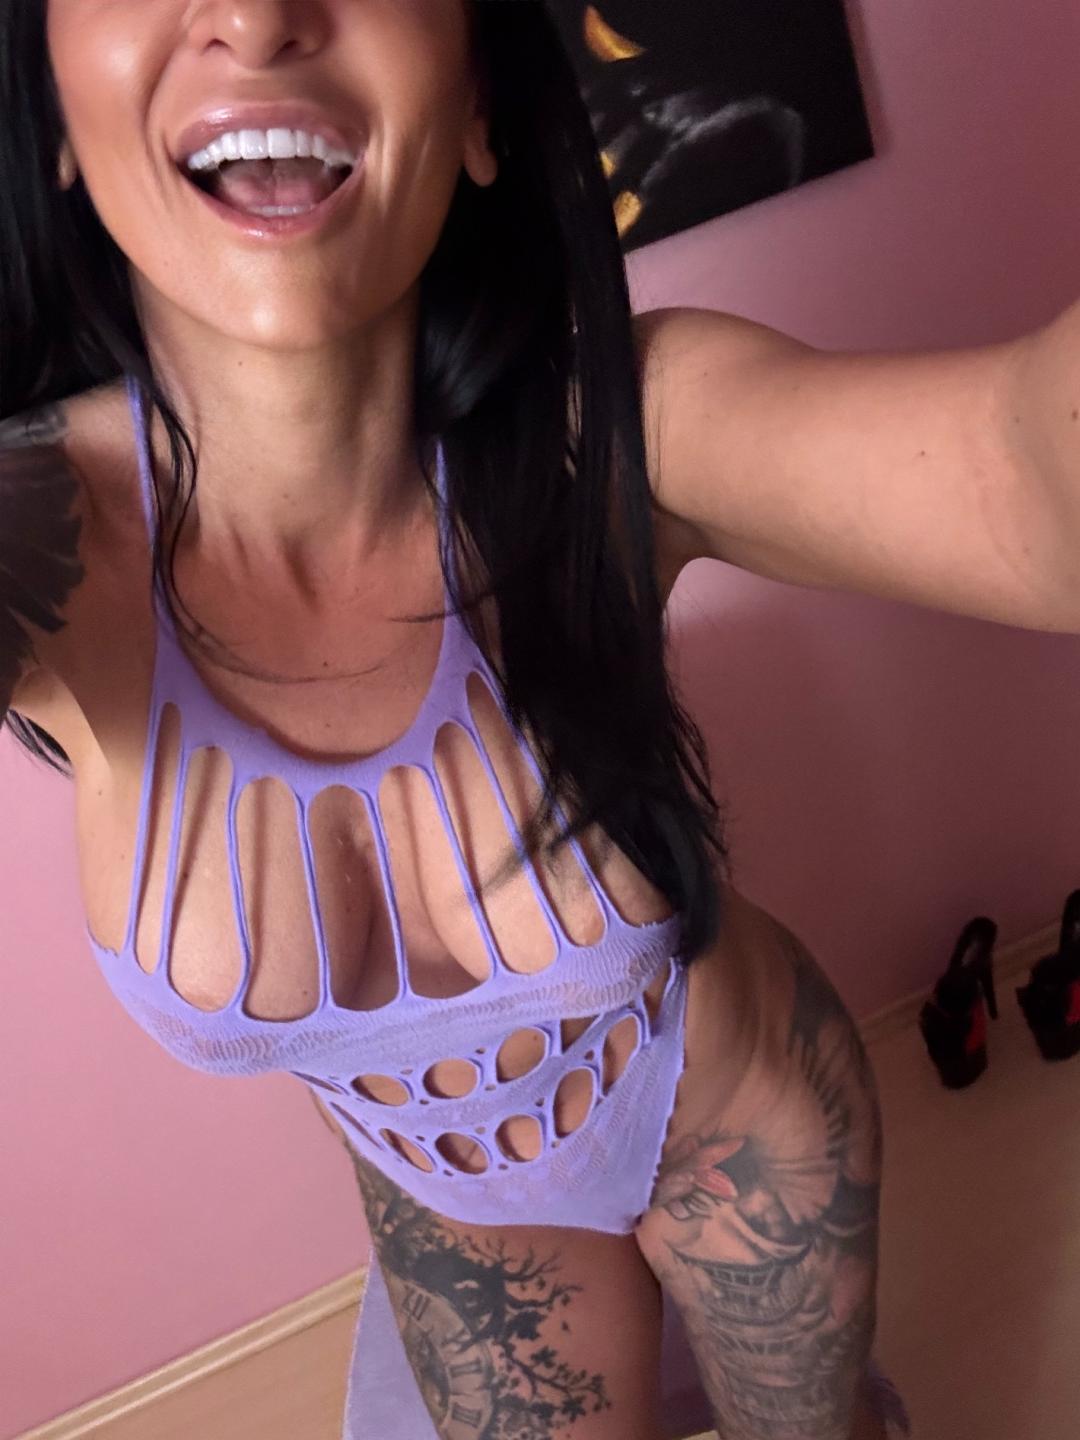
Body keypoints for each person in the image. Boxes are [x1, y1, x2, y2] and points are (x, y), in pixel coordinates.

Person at [5, 3, 1078, 1437]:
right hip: (463, 1228)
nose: (257, 16)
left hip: (741, 1132)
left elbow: (1029, 479)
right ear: (56, 111)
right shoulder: (39, 543)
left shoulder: (623, 428)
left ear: (476, 106)